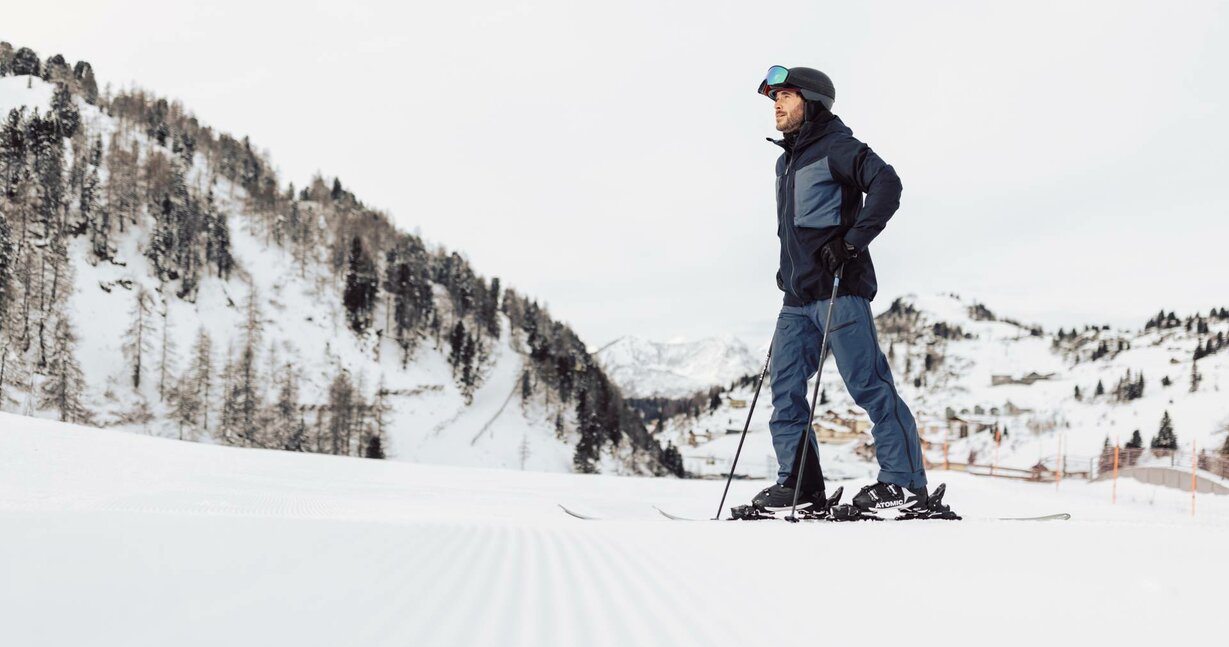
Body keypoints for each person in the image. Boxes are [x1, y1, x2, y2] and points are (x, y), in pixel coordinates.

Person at [748, 65, 927, 516]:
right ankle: (801, 487)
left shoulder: (838, 147)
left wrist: (851, 243)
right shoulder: (785, 161)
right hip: (796, 299)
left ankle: (903, 486)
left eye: (786, 96)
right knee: (785, 391)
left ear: (812, 101)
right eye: (774, 99)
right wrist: (788, 269)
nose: (778, 105)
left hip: (838, 291)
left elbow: (888, 184)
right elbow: (795, 229)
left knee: (868, 385)